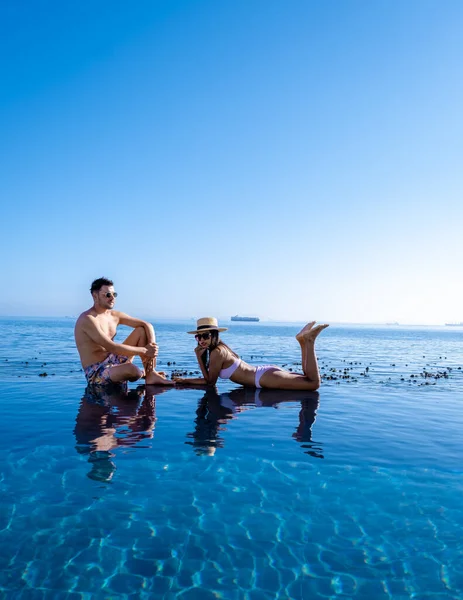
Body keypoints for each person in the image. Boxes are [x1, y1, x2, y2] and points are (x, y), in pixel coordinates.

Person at [173, 317, 328, 390]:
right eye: (198, 336)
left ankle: (309, 342)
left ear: (214, 335)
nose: (201, 341)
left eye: (205, 336)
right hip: (265, 374)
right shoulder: (221, 348)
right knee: (308, 379)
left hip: (264, 378)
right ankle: (302, 342)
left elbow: (210, 382)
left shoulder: (217, 353)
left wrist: (196, 362)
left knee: (313, 384)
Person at [74, 277, 173, 386]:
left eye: (114, 294)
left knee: (141, 330)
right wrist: (145, 351)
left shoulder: (114, 315)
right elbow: (111, 347)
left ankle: (151, 375)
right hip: (97, 371)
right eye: (107, 295)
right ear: (95, 296)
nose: (112, 298)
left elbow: (146, 325)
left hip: (114, 359)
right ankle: (142, 373)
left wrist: (152, 349)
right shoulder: (88, 319)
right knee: (133, 371)